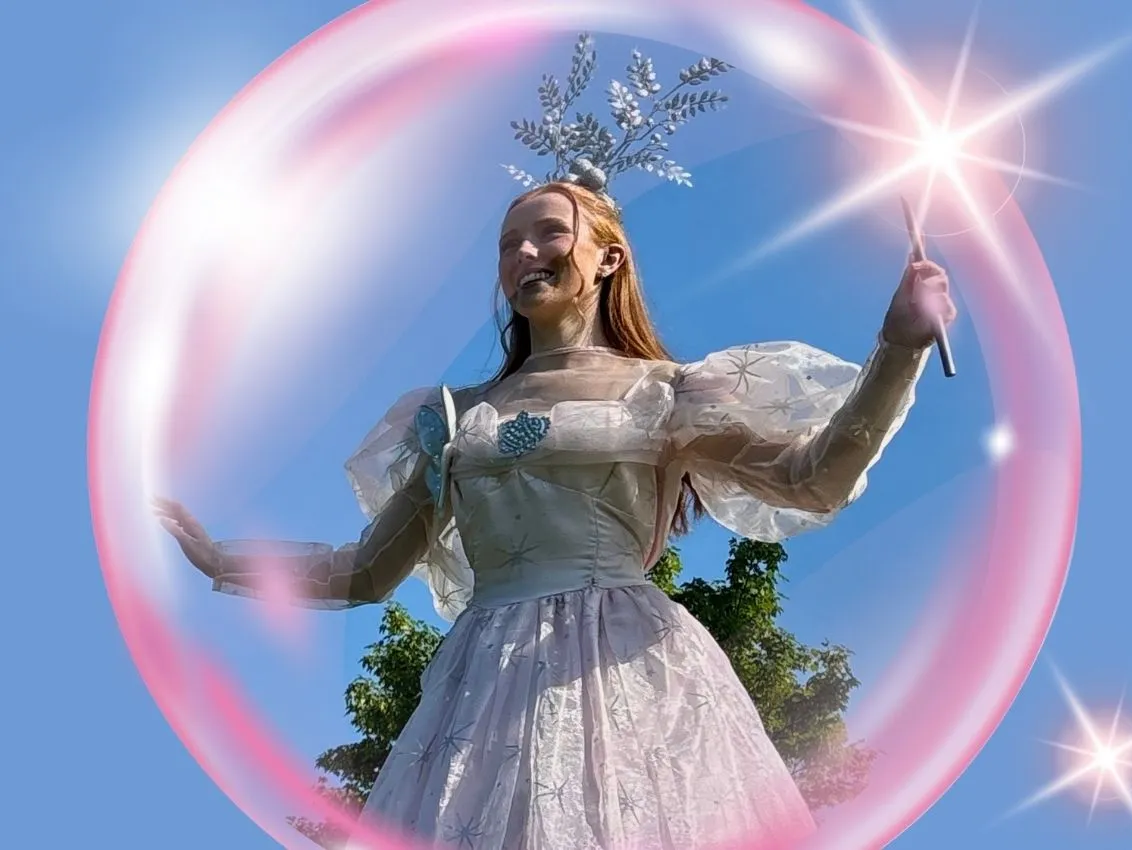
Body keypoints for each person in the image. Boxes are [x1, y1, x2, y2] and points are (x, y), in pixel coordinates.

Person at [153, 172, 955, 848]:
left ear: (609, 258)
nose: (524, 255)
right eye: (507, 243)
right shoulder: (453, 418)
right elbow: (365, 572)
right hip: (482, 689)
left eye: (546, 233)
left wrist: (898, 350)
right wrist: (221, 561)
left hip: (629, 670)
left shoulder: (666, 394)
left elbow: (813, 478)